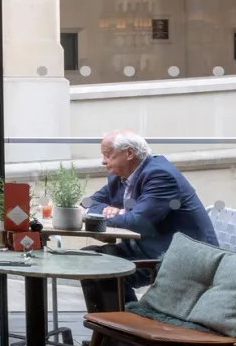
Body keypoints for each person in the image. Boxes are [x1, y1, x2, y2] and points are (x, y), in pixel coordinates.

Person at [78, 130, 217, 313]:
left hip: (177, 257)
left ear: (129, 153)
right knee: (86, 258)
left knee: (103, 268)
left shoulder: (160, 176)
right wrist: (109, 211)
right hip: (145, 246)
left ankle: (122, 333)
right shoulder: (120, 175)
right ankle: (110, 334)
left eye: (108, 155)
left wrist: (111, 213)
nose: (103, 161)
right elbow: (87, 203)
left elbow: (137, 222)